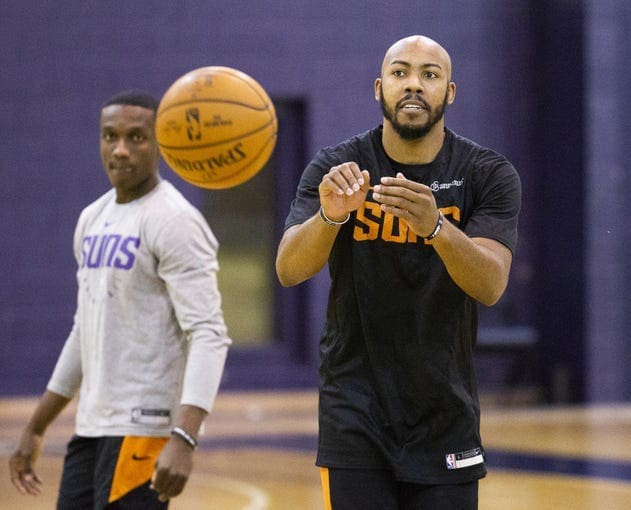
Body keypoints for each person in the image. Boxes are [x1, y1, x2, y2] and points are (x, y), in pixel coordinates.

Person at [276, 35, 521, 510]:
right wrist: (329, 216)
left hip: (444, 410)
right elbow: (289, 269)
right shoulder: (336, 168)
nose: (414, 85)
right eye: (400, 72)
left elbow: (491, 285)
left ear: (450, 92)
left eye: (430, 75)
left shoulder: (486, 173)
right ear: (379, 88)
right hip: (354, 412)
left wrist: (436, 227)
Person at [9, 90, 231, 508]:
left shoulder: (176, 221)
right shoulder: (92, 218)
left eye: (137, 137)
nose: (121, 149)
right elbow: (84, 330)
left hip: (145, 427)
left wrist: (185, 435)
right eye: (110, 136)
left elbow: (208, 333)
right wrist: (37, 426)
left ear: (160, 143)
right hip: (93, 425)